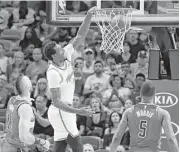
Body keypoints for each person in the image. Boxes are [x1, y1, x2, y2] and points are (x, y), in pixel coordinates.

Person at [43, 7, 97, 152]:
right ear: (54, 56)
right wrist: (78, 111)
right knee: (78, 146)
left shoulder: (65, 53)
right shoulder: (53, 73)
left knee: (60, 146)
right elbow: (56, 101)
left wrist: (89, 15)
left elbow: (80, 36)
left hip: (64, 111)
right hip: (61, 111)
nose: (63, 48)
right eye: (59, 49)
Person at [110, 81, 179, 152]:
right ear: (154, 94)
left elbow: (117, 138)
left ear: (140, 94)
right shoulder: (162, 113)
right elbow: (171, 139)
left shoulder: (129, 112)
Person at [3, 75, 50, 152]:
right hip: (17, 147)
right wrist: (42, 142)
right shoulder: (25, 107)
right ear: (29, 87)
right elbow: (24, 136)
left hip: (7, 144)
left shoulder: (12, 100)